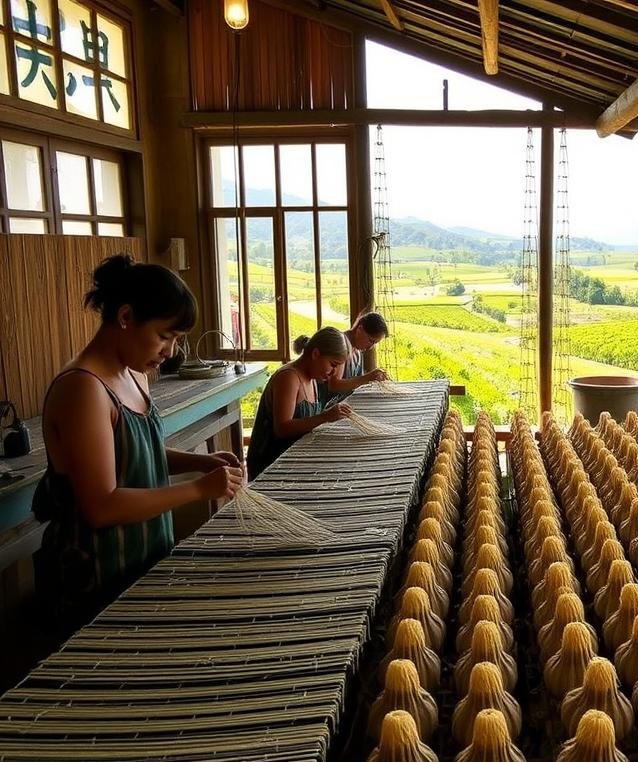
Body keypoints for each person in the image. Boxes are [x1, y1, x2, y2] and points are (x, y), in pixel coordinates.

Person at [33, 254, 244, 628]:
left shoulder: (132, 375)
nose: (170, 352)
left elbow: (134, 453)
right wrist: (198, 488)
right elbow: (102, 505)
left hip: (140, 563)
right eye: (165, 336)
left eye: (175, 339)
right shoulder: (83, 388)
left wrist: (199, 462)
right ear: (126, 317)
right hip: (97, 579)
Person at [245, 328, 354, 481]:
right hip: (271, 466)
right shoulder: (289, 377)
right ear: (316, 354)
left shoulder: (313, 379)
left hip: (293, 459)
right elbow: (282, 429)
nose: (334, 372)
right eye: (333, 364)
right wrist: (325, 417)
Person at [318, 311, 390, 407]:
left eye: (374, 343)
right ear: (360, 329)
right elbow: (333, 385)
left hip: (343, 405)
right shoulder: (341, 346)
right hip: (325, 407)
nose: (370, 347)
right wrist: (367, 377)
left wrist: (374, 378)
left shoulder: (357, 351)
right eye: (370, 340)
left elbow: (355, 382)